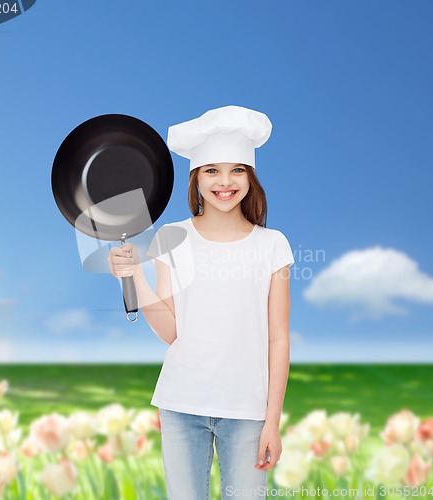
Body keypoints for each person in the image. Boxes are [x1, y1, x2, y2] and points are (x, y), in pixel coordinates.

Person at [108, 105, 295, 499]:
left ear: (250, 177)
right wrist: (134, 275)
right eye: (212, 170)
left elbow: (278, 338)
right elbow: (172, 331)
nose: (224, 182)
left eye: (237, 170)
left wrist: (272, 421)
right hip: (181, 403)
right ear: (196, 178)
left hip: (248, 410)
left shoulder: (272, 245)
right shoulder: (171, 238)